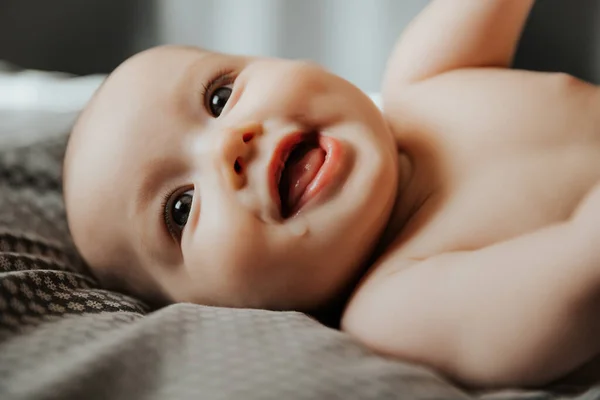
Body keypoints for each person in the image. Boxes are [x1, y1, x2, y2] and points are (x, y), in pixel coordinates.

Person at [62, 0, 600, 388]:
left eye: (220, 96)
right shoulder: (393, 307)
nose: (230, 144)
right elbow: (579, 280)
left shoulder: (423, 76)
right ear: (213, 308)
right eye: (181, 208)